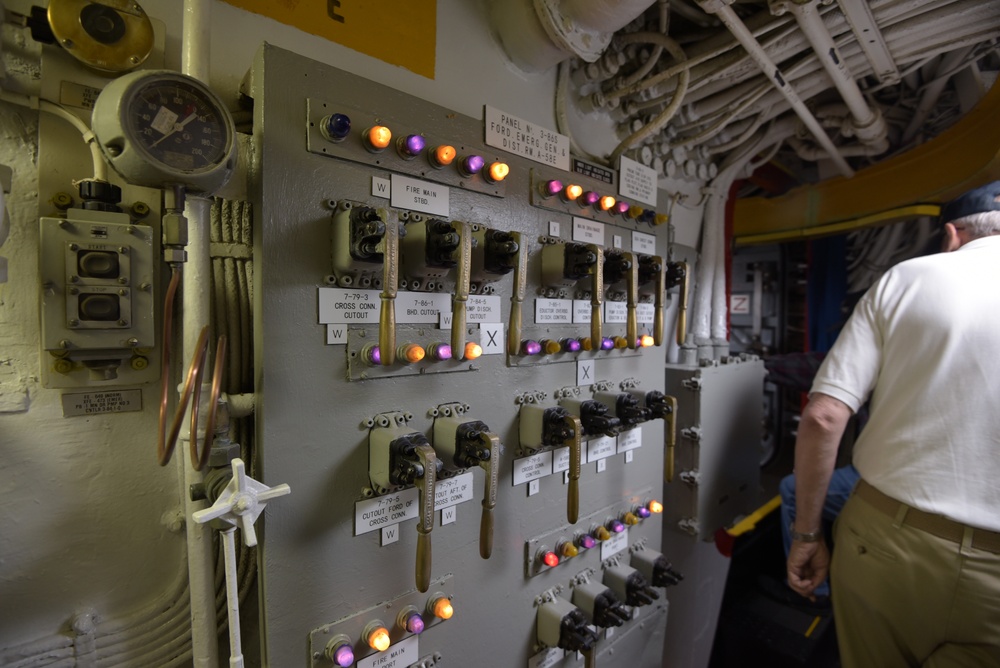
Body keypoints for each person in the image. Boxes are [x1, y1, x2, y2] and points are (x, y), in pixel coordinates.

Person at [787, 180, 1000, 667]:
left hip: (889, 543)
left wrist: (806, 536)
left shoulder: (909, 279)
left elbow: (823, 415)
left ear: (951, 235)